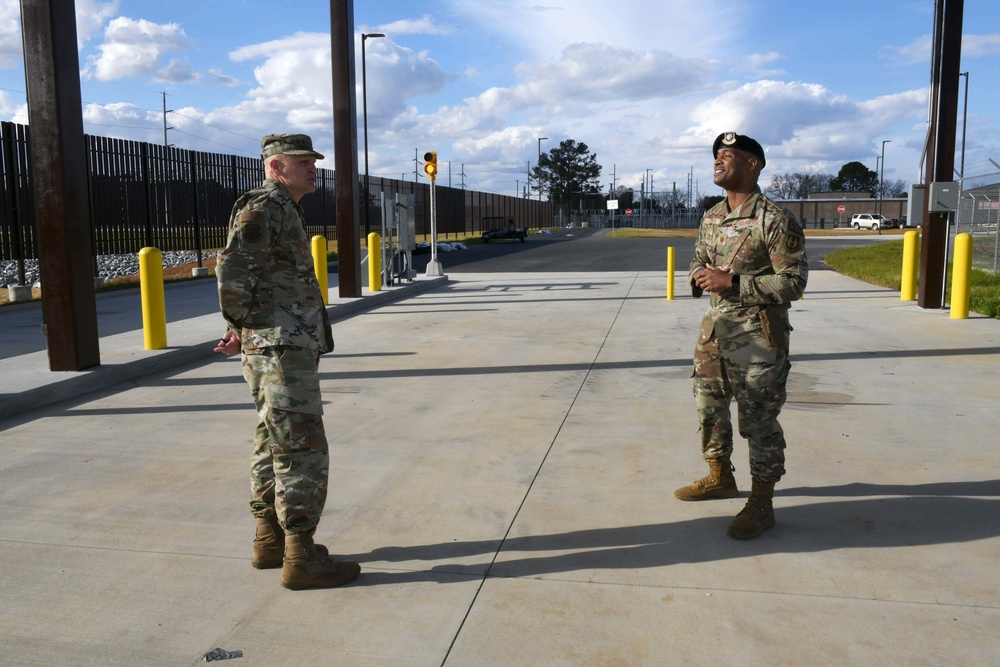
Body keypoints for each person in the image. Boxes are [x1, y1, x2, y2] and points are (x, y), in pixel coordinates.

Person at [214, 133, 360, 589]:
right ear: (276, 166)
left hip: (278, 341)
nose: (313, 168)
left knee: (272, 439)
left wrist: (244, 328)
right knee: (301, 444)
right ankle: (301, 555)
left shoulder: (282, 206)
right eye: (303, 162)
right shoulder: (267, 205)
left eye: (313, 161)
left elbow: (255, 277)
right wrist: (243, 324)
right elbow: (234, 270)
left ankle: (271, 539)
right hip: (281, 347)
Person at [675, 131, 808, 539]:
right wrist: (700, 274)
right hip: (714, 331)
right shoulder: (712, 215)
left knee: (757, 420)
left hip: (756, 337)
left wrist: (731, 282)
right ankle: (720, 477)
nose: (718, 161)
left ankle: (762, 502)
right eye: (716, 155)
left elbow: (793, 282)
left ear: (753, 164)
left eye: (727, 155)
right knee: (709, 408)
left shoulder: (775, 219)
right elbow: (701, 256)